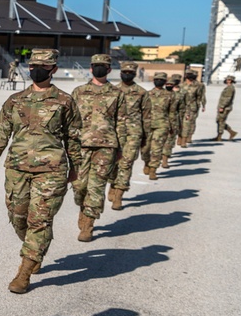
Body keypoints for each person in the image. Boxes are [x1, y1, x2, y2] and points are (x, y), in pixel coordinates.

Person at [0, 49, 81, 294]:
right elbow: (2, 132)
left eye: (43, 66)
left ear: (54, 70)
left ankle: (25, 271)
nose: (37, 70)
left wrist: (76, 167)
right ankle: (36, 247)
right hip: (17, 167)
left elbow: (73, 138)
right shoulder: (15, 100)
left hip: (51, 170)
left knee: (39, 220)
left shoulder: (65, 101)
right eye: (33, 65)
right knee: (18, 216)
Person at [70, 53, 129, 242]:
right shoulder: (78, 91)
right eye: (96, 65)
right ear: (90, 68)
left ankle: (88, 224)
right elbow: (69, 120)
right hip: (81, 146)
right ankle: (83, 208)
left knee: (96, 186)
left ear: (109, 70)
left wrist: (121, 148)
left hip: (106, 146)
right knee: (79, 186)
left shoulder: (117, 94)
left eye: (103, 65)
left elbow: (121, 122)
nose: (99, 68)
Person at [106, 61, 145, 210]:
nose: (127, 75)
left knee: (126, 162)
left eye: (130, 73)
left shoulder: (141, 92)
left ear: (135, 74)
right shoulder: (113, 91)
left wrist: (146, 138)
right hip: (114, 132)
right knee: (113, 163)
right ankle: (113, 184)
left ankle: (119, 195)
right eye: (125, 72)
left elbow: (147, 115)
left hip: (133, 133)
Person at [140, 72, 174, 180]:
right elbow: (141, 110)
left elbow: (172, 112)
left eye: (161, 79)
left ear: (165, 82)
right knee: (145, 149)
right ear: (153, 80)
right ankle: (147, 162)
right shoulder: (147, 94)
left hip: (162, 124)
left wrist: (173, 126)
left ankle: (153, 170)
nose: (159, 81)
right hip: (147, 125)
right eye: (157, 79)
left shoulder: (170, 95)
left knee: (157, 149)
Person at [178, 68, 206, 146]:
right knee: (180, 122)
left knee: (189, 122)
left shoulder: (198, 85)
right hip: (181, 107)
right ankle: (180, 137)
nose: (189, 76)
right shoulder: (181, 85)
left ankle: (187, 137)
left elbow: (201, 96)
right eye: (188, 74)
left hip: (192, 107)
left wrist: (203, 105)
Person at [161, 73, 183, 168]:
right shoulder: (160, 95)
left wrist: (180, 122)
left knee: (169, 141)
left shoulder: (178, 96)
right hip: (160, 121)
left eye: (171, 85)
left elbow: (181, 109)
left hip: (173, 121)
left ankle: (165, 160)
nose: (169, 86)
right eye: (167, 84)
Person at [215, 75, 238, 141]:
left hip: (225, 107)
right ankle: (231, 132)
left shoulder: (230, 88)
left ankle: (220, 136)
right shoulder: (228, 87)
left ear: (231, 81)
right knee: (219, 121)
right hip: (225, 107)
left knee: (221, 121)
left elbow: (227, 98)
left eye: (229, 80)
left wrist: (222, 107)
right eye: (227, 79)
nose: (227, 81)